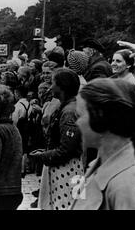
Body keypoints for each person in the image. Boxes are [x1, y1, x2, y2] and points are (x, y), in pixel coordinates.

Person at [71, 78, 135, 209]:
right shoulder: (99, 164)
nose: (77, 123)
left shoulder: (126, 185)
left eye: (80, 116)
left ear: (99, 117)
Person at [31, 68, 83, 210]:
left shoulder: (69, 112)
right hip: (67, 169)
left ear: (62, 86)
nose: (50, 87)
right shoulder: (68, 107)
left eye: (53, 83)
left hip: (66, 171)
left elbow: (67, 149)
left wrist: (43, 156)